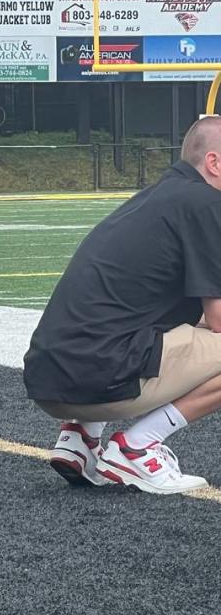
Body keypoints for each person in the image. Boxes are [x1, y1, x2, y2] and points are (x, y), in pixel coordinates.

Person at [25, 115, 221, 496]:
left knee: (158, 320)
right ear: (215, 163)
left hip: (49, 378)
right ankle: (139, 446)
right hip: (99, 379)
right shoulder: (205, 203)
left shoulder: (157, 198)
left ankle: (80, 437)